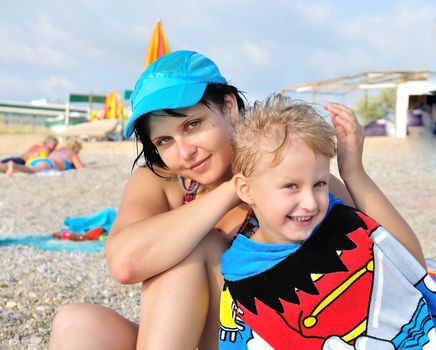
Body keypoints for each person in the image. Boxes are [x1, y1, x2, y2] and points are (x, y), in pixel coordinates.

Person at [48, 50, 426, 350]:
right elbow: (126, 264)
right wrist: (236, 190)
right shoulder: (160, 181)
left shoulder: (294, 182)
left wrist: (354, 174)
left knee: (191, 250)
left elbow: (405, 266)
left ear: (229, 106)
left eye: (192, 125)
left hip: (267, 337)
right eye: (164, 141)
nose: (184, 152)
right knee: (76, 323)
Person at [218, 94, 436, 349]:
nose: (310, 203)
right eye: (291, 186)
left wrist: (354, 172)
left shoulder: (343, 224)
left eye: (320, 184)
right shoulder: (244, 286)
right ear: (246, 190)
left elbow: (411, 262)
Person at [1, 139, 85, 175]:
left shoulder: (58, 150)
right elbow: (81, 168)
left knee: (24, 170)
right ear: (76, 149)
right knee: (31, 170)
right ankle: (12, 165)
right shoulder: (72, 153)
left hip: (40, 160)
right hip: (49, 164)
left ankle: (5, 167)